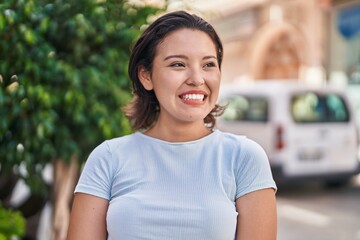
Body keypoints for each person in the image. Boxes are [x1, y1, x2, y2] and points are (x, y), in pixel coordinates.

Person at [67, 10, 277, 240]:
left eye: (208, 64)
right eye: (178, 64)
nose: (197, 79)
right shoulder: (108, 158)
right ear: (146, 76)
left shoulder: (243, 158)